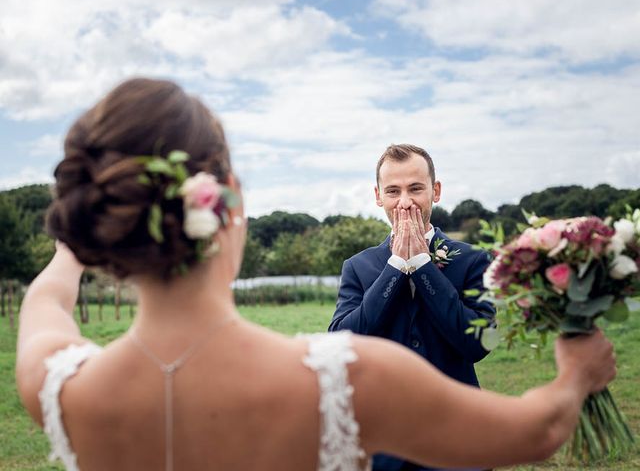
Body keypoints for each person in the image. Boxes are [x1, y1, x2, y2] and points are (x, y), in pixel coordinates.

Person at [16, 78, 616, 471]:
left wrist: (87, 231)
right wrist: (576, 374)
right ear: (228, 202)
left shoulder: (60, 387)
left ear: (100, 224)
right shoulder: (345, 378)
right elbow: (536, 431)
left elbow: (45, 303)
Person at [329, 144, 495, 470]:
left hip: (459, 438)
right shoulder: (358, 266)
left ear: (435, 191)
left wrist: (422, 265)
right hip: (383, 444)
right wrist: (394, 268)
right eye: (393, 191)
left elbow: (481, 342)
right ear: (378, 197)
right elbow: (340, 342)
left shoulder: (473, 260)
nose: (405, 202)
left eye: (415, 189)